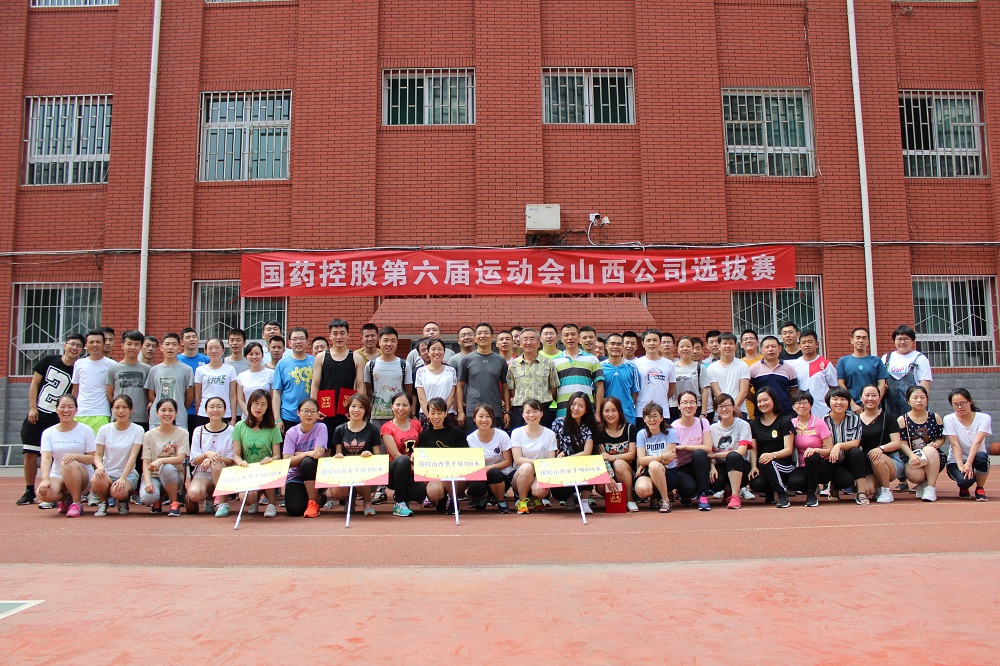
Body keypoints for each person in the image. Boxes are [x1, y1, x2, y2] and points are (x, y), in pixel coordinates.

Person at [17, 333, 83, 506]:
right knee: (30, 452)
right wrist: (33, 407)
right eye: (72, 344)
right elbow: (34, 383)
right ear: (65, 345)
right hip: (38, 414)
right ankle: (29, 490)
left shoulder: (78, 369)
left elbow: (74, 394)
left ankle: (57, 491)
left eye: (78, 346)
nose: (74, 348)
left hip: (57, 418)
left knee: (55, 455)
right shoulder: (48, 360)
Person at [36, 395, 96, 517]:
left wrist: (76, 457)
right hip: (58, 475)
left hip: (82, 476)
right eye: (62, 407)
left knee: (68, 463)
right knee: (43, 493)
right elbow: (46, 457)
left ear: (76, 410)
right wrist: (45, 479)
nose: (66, 410)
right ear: (56, 409)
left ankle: (76, 503)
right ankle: (66, 499)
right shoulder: (48, 433)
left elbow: (93, 457)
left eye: (70, 407)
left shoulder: (86, 430)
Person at [232, 389, 283, 517]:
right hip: (247, 468)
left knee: (269, 466)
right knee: (246, 498)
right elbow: (236, 454)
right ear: (250, 404)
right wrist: (240, 462)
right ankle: (254, 501)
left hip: (265, 468)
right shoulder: (239, 426)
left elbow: (277, 455)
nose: (259, 407)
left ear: (268, 407)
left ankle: (271, 503)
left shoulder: (273, 428)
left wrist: (271, 459)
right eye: (256, 403)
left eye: (263, 404)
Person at [91, 395, 144, 516]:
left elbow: (133, 457)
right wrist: (100, 468)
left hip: (128, 474)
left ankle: (122, 500)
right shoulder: (104, 429)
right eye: (117, 407)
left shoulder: (138, 430)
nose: (121, 411)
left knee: (118, 491)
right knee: (96, 479)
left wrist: (123, 478)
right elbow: (97, 455)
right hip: (108, 473)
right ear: (112, 409)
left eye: (124, 407)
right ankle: (103, 502)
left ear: (131, 410)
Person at [330, 394, 382, 516]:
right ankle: (350, 497)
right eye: (353, 406)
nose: (356, 410)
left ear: (366, 410)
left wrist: (370, 455)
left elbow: (378, 456)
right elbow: (338, 453)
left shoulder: (372, 429)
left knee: (362, 478)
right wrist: (338, 457)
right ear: (348, 408)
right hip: (346, 472)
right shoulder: (339, 430)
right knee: (336, 492)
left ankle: (367, 502)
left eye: (361, 407)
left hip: (366, 473)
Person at [310, 319, 363, 434]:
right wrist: (314, 409)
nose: (339, 337)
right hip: (325, 410)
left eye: (342, 333)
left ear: (348, 335)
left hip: (347, 411)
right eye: (335, 333)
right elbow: (315, 385)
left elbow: (360, 386)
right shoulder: (321, 357)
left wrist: (358, 409)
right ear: (330, 336)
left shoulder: (357, 358)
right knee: (326, 443)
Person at [416, 397, 469, 513]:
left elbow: (465, 454)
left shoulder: (456, 432)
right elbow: (422, 458)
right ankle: (442, 498)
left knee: (447, 473)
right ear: (428, 414)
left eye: (439, 413)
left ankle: (454, 502)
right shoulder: (424, 435)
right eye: (432, 413)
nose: (436, 417)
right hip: (434, 475)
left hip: (456, 476)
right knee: (434, 492)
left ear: (445, 414)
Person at [456, 323, 510, 433]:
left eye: (486, 333)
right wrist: (461, 411)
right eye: (479, 333)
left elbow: (505, 387)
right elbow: (460, 386)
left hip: (495, 412)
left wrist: (507, 412)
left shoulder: (500, 360)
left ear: (492, 337)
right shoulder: (467, 360)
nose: (483, 336)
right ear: (475, 337)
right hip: (473, 412)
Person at [186, 396, 235, 517]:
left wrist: (212, 458)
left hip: (223, 472)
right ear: (206, 410)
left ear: (225, 410)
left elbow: (231, 460)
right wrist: (206, 454)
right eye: (212, 407)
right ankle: (209, 497)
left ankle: (222, 503)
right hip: (203, 472)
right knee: (193, 494)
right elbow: (194, 460)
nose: (215, 410)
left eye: (219, 407)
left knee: (216, 464)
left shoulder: (232, 431)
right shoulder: (199, 431)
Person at [139, 398, 189, 516]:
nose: (167, 413)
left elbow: (180, 459)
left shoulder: (183, 433)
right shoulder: (148, 435)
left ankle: (174, 502)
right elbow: (146, 462)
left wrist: (160, 461)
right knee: (147, 498)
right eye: (163, 410)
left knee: (166, 467)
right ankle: (158, 498)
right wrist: (147, 482)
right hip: (153, 476)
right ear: (157, 413)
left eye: (171, 410)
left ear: (176, 413)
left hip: (174, 475)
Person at [747, 387, 795, 508]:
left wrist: (772, 455)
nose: (762, 404)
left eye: (765, 400)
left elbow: (788, 450)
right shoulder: (753, 424)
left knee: (767, 461)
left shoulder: (785, 421)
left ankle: (782, 495)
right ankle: (769, 494)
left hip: (784, 465)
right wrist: (753, 466)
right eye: (759, 401)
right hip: (763, 463)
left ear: (773, 400)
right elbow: (753, 449)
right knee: (756, 483)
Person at [820, 387, 869, 505]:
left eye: (843, 399)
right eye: (835, 399)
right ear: (828, 402)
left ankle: (861, 492)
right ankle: (833, 486)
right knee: (844, 480)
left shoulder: (855, 419)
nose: (839, 402)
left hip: (848, 460)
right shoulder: (822, 421)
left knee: (856, 452)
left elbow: (856, 442)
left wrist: (839, 446)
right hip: (830, 461)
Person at [550, 392, 597, 512]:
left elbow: (587, 452)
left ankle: (584, 500)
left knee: (588, 463)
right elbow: (555, 447)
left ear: (586, 410)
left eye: (581, 406)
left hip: (581, 463)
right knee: (558, 491)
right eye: (573, 404)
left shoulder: (589, 426)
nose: (576, 408)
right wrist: (560, 453)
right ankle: (569, 496)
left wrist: (569, 458)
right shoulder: (558, 423)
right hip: (563, 465)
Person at [897, 386, 945, 502]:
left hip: (933, 457)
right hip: (912, 457)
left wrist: (936, 444)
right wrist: (911, 455)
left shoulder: (935, 417)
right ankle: (922, 483)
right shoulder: (902, 420)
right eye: (915, 397)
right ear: (908, 401)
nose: (919, 400)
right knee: (916, 475)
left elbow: (941, 438)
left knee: (929, 449)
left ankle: (930, 488)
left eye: (922, 397)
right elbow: (902, 443)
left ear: (927, 399)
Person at [857, 384, 903, 504]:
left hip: (889, 460)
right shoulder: (855, 419)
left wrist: (881, 449)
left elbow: (897, 443)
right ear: (861, 398)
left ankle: (886, 490)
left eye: (874, 395)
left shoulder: (888, 417)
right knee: (866, 490)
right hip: (866, 463)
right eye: (867, 395)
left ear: (879, 397)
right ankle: (878, 486)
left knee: (877, 458)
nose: (870, 399)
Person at [510, 399, 558, 514]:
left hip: (541, 473)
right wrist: (537, 463)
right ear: (522, 414)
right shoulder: (517, 433)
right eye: (528, 412)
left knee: (539, 491)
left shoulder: (550, 434)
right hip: (521, 474)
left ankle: (537, 499)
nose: (531, 415)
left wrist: (539, 467)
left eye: (535, 411)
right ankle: (522, 501)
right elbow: (518, 459)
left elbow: (551, 460)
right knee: (527, 467)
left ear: (541, 413)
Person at [943, 388, 991, 501]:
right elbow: (954, 444)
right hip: (956, 460)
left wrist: (969, 463)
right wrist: (961, 465)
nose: (960, 407)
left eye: (962, 403)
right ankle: (964, 487)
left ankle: (980, 488)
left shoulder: (984, 418)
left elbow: (977, 442)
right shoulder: (949, 419)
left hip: (975, 458)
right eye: (956, 405)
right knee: (964, 481)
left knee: (982, 457)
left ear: (970, 401)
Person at [283, 398, 328, 518]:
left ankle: (313, 501)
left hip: (315, 473)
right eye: (306, 411)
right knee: (294, 510)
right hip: (296, 475)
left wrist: (297, 454)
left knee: (308, 462)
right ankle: (316, 497)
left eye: (313, 411)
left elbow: (317, 454)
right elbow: (287, 461)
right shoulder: (291, 433)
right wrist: (306, 453)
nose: (309, 414)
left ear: (318, 414)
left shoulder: (321, 428)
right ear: (298, 412)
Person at [507, 327, 560, 429]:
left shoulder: (548, 363)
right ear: (520, 343)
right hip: (520, 411)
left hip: (543, 411)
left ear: (539, 343)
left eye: (532, 339)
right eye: (525, 339)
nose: (528, 342)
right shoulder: (513, 364)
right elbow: (512, 388)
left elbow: (553, 387)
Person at [383, 394, 426, 518]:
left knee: (420, 493)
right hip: (394, 471)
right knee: (403, 459)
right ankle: (399, 503)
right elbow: (396, 455)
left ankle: (402, 496)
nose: (401, 408)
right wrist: (414, 469)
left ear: (410, 407)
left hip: (412, 470)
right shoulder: (387, 428)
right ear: (392, 406)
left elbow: (422, 447)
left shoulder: (416, 425)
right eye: (397, 405)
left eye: (405, 405)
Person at [707, 394, 754, 509]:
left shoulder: (743, 425)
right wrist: (712, 467)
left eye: (727, 405)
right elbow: (709, 453)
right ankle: (727, 490)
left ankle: (735, 496)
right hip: (720, 465)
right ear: (716, 410)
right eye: (720, 406)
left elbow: (741, 452)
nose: (724, 409)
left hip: (739, 464)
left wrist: (715, 455)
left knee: (733, 455)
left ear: (733, 407)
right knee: (714, 480)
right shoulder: (712, 428)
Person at [465, 404, 514, 513]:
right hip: (480, 475)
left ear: (492, 418)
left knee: (494, 473)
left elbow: (508, 461)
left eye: (488, 416)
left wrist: (489, 467)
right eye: (480, 416)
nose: (484, 420)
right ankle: (484, 497)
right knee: (474, 486)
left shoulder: (502, 435)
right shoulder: (470, 439)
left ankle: (501, 501)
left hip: (500, 476)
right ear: (474, 419)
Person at [363, 326, 412, 430]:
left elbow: (408, 392)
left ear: (397, 342)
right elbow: (368, 391)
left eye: (393, 341)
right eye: (386, 340)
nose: (389, 344)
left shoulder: (404, 365)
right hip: (377, 416)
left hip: (400, 415)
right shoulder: (370, 365)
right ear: (379, 342)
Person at [634, 401, 680, 512]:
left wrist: (647, 461)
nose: (652, 420)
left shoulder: (670, 432)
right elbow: (641, 459)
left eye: (655, 416)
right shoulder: (641, 434)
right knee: (642, 490)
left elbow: (669, 460)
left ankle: (665, 501)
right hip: (648, 472)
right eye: (648, 416)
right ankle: (654, 495)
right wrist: (663, 456)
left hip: (667, 472)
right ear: (644, 419)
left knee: (654, 465)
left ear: (662, 418)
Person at [595, 397, 638, 512]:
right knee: (600, 486)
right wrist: (609, 477)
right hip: (609, 471)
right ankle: (614, 499)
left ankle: (630, 499)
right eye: (606, 411)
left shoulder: (630, 428)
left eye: (614, 410)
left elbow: (632, 454)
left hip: (628, 472)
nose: (610, 414)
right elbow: (603, 458)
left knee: (619, 464)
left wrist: (613, 457)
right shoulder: (599, 431)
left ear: (619, 411)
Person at [145, 333, 194, 432]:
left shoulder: (186, 370)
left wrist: (179, 407)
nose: (170, 347)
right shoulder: (154, 370)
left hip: (179, 420)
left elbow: (189, 396)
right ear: (161, 348)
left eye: (174, 344)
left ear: (179, 348)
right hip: (157, 419)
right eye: (167, 344)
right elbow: (150, 394)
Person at [881, 324, 932, 421]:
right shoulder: (886, 358)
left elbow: (925, 384)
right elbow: (881, 381)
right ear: (894, 340)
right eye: (899, 339)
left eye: (906, 339)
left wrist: (921, 405)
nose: (902, 342)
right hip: (890, 405)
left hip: (913, 406)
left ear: (912, 341)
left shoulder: (920, 358)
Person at [671, 393, 713, 510]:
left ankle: (703, 495)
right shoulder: (674, 427)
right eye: (685, 403)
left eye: (692, 402)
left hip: (700, 464)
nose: (688, 406)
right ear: (679, 406)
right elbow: (672, 451)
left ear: (696, 405)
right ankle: (686, 495)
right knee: (688, 489)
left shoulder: (703, 422)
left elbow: (708, 447)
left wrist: (686, 447)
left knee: (699, 453)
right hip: (682, 467)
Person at [553, 323, 604, 419]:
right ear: (561, 339)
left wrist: (598, 413)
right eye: (566, 335)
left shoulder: (592, 359)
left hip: (587, 413)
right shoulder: (555, 362)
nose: (570, 338)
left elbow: (600, 387)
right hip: (563, 413)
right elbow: (553, 390)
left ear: (579, 337)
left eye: (573, 334)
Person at [71, 330, 116, 435]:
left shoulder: (112, 365)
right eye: (91, 342)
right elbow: (75, 391)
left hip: (102, 414)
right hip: (80, 413)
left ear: (104, 344)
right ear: (86, 345)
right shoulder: (79, 364)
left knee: (99, 445)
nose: (95, 345)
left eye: (98, 342)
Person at [106, 330, 151, 431]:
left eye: (136, 344)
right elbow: (110, 394)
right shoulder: (113, 369)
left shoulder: (147, 369)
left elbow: (149, 394)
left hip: (140, 418)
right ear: (122, 345)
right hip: (118, 418)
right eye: (129, 344)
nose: (132, 347)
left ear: (141, 347)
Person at [272, 327, 314, 434]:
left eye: (302, 338)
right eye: (295, 339)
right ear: (289, 343)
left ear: (307, 342)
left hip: (310, 415)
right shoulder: (282, 364)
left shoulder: (316, 362)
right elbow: (277, 393)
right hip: (288, 416)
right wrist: (277, 419)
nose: (298, 341)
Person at [836, 327, 888, 414]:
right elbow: (840, 383)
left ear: (868, 341)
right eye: (858, 338)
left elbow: (881, 383)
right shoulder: (843, 361)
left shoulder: (876, 361)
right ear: (852, 340)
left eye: (864, 338)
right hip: (851, 408)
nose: (861, 340)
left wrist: (876, 402)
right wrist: (852, 404)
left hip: (873, 408)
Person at [789, 330, 838, 418]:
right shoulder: (794, 365)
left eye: (810, 342)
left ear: (816, 344)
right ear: (799, 346)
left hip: (823, 411)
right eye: (803, 343)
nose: (807, 345)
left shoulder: (826, 364)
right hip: (802, 412)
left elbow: (833, 388)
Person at [634, 329, 676, 428]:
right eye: (648, 340)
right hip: (641, 412)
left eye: (655, 340)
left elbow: (671, 389)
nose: (652, 343)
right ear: (643, 343)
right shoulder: (636, 364)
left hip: (663, 411)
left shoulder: (669, 364)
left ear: (660, 343)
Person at [193, 338, 238, 431]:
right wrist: (198, 413)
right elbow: (198, 396)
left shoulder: (230, 369)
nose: (214, 351)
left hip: (224, 413)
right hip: (204, 414)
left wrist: (233, 418)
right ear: (206, 351)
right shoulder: (200, 370)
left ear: (223, 350)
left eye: (217, 347)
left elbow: (233, 396)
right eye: (210, 348)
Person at [749, 335, 799, 416]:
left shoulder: (788, 368)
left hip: (785, 413)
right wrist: (757, 400)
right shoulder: (754, 369)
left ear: (779, 348)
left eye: (773, 346)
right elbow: (746, 391)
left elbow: (794, 391)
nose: (770, 349)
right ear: (761, 350)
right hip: (762, 413)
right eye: (767, 347)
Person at [415, 338, 458, 426]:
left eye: (440, 349)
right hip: (426, 415)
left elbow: (452, 396)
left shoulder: (451, 371)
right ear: (428, 352)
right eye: (433, 349)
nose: (437, 352)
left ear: (444, 352)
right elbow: (422, 399)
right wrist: (431, 416)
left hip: (447, 414)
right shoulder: (420, 372)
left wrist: (442, 414)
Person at [707, 332, 750, 420]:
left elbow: (744, 391)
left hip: (739, 411)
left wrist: (734, 407)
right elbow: (716, 392)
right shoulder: (712, 368)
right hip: (720, 411)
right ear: (719, 346)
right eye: (725, 343)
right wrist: (728, 407)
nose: (728, 346)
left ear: (736, 346)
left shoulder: (743, 365)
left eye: (731, 343)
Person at [601, 333, 641, 425]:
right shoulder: (600, 367)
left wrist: (628, 406)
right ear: (606, 346)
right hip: (607, 415)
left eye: (619, 344)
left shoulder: (632, 367)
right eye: (612, 344)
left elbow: (635, 393)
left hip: (627, 415)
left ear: (623, 347)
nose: (615, 347)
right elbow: (597, 392)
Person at [673, 336, 710, 419]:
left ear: (693, 349)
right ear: (677, 349)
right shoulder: (671, 367)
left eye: (688, 346)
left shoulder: (700, 367)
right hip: (675, 407)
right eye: (682, 346)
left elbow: (704, 392)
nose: (685, 349)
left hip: (695, 407)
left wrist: (703, 413)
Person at [178, 327, 209, 424]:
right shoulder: (176, 359)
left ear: (198, 340)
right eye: (188, 337)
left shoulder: (206, 360)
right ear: (182, 342)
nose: (192, 339)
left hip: (202, 409)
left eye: (194, 337)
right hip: (181, 409)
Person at [236, 342, 274, 415]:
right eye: (250, 354)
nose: (254, 357)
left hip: (266, 416)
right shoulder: (241, 376)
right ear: (246, 356)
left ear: (262, 355)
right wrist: (250, 416)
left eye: (257, 354)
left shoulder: (271, 373)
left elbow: (273, 398)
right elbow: (240, 400)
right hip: (247, 417)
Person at [538, 323, 564, 427]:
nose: (549, 336)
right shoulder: (536, 357)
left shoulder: (564, 356)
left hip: (561, 405)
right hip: (543, 407)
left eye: (551, 333)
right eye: (546, 334)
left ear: (557, 338)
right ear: (540, 339)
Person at [740, 329, 762, 419]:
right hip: (744, 410)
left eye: (751, 338)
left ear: (758, 342)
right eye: (745, 339)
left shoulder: (765, 360)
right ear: (741, 344)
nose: (748, 341)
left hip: (763, 409)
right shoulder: (738, 364)